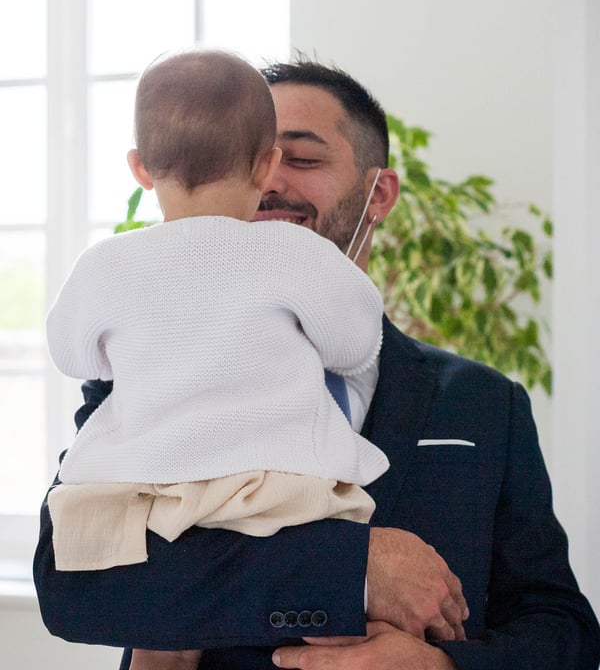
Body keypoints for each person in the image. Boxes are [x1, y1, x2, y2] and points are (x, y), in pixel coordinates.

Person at [34, 58, 600, 670]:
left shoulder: (486, 403)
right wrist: (352, 570)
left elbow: (561, 630)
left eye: (300, 159)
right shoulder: (135, 377)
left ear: (378, 193)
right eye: (255, 155)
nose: (272, 181)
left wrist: (440, 667)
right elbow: (75, 586)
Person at [41, 49, 391, 669]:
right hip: (279, 492)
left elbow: (73, 355)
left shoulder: (105, 265)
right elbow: (354, 344)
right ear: (265, 164)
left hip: (143, 495)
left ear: (141, 169)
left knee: (158, 642)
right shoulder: (291, 254)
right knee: (343, 576)